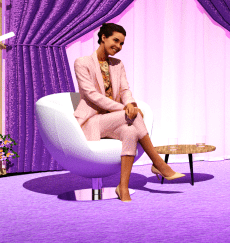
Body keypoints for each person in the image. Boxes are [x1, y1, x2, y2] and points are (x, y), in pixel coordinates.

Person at [73, 23, 182, 202]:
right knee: (135, 114)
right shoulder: (82, 63)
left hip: (113, 120)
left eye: (122, 43)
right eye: (115, 40)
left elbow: (125, 90)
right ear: (103, 38)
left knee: (130, 131)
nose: (119, 46)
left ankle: (122, 187)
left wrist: (130, 103)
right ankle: (158, 162)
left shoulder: (118, 65)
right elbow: (91, 94)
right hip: (92, 121)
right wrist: (125, 108)